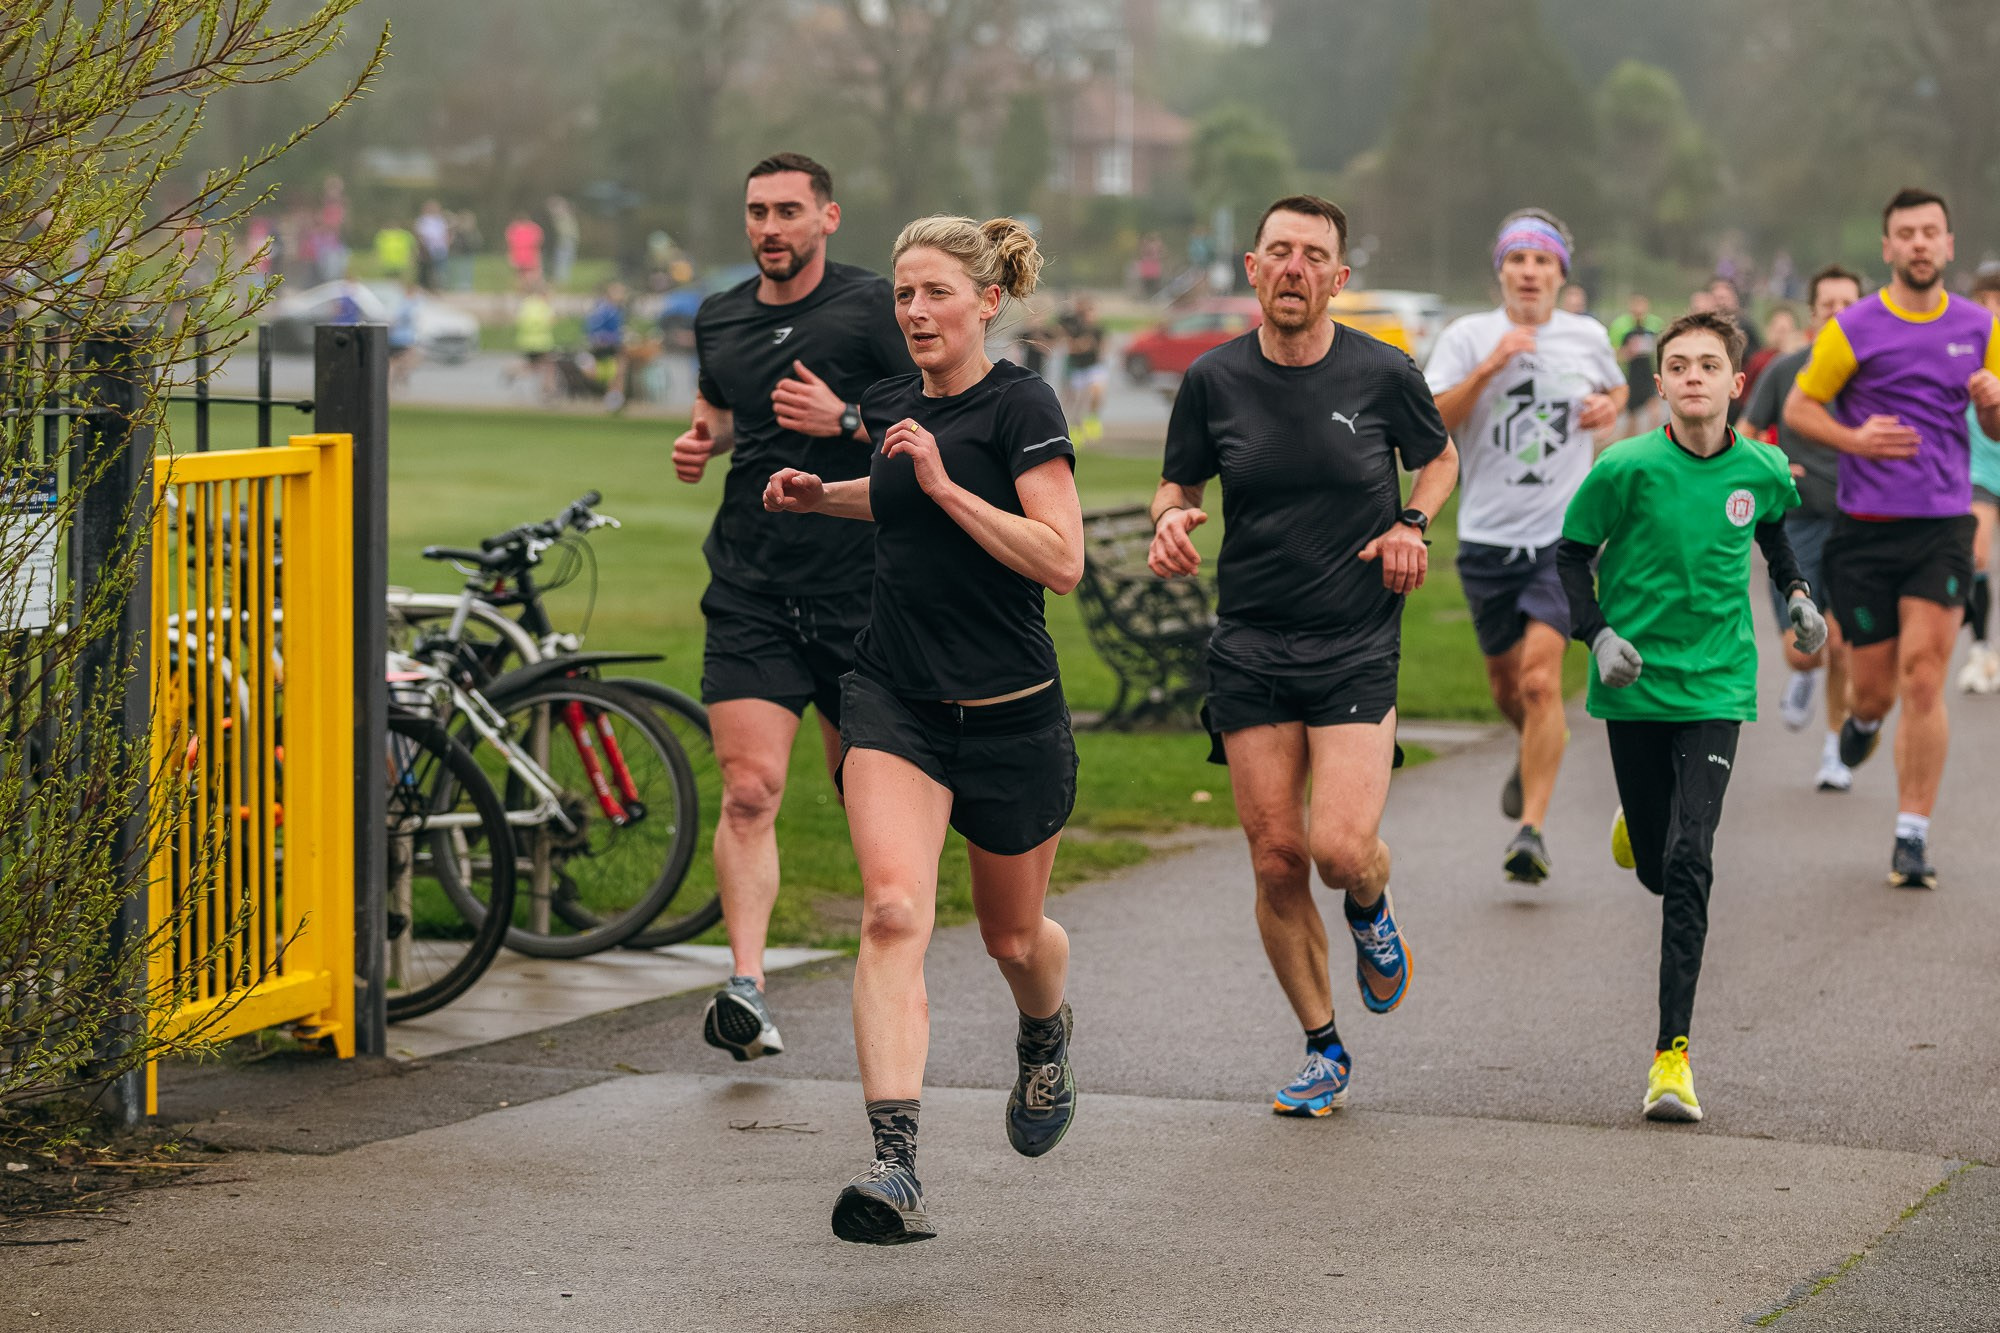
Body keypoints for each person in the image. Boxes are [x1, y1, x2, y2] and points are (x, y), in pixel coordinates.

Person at [762, 214, 1081, 1246]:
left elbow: (1061, 558)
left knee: (1013, 937)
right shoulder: (893, 401)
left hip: (1009, 714)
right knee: (893, 912)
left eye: (935, 291)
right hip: (893, 696)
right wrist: (824, 497)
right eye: (903, 294)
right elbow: (897, 497)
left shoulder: (1022, 406)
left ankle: (1044, 1031)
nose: (913, 310)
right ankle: (894, 1165)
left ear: (987, 300)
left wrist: (943, 484)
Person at [1147, 195, 1458, 1118]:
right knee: (1278, 858)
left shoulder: (1383, 371)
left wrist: (1412, 523)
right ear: (1251, 269)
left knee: (1337, 849)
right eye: (1278, 251)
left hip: (1354, 637)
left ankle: (1371, 902)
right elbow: (1178, 480)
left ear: (1338, 278)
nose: (1294, 267)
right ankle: (1323, 1046)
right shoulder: (1212, 379)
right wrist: (1170, 520)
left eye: (1313, 255)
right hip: (1250, 642)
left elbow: (1439, 458)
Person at [671, 153, 917, 1062]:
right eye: (756, 212)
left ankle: (891, 957)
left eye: (786, 211)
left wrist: (845, 419)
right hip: (752, 585)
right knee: (748, 791)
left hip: (860, 594)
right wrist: (703, 442)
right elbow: (720, 410)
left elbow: (933, 422)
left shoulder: (874, 307)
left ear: (827, 217)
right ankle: (747, 985)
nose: (769, 228)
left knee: (867, 799)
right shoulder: (719, 314)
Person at [1558, 310, 1824, 1123]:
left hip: (1717, 682)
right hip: (1634, 680)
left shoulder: (1762, 466)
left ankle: (1671, 1058)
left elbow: (1773, 533)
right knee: (1655, 865)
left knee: (1690, 857)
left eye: (1709, 364)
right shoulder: (1624, 467)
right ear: (1661, 383)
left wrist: (1798, 594)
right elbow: (1570, 556)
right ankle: (1638, 824)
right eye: (1679, 365)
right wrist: (1598, 635)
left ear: (1736, 382)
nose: (1694, 376)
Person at [1783, 187, 2000, 887]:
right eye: (1905, 233)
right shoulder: (1854, 328)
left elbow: (1996, 431)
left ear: (1948, 243)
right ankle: (1864, 724)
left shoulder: (1981, 326)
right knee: (1873, 691)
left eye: (1930, 231)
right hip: (1865, 533)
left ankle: (1912, 835)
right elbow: (1800, 408)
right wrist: (1856, 440)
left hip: (1942, 527)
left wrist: (1993, 408)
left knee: (1925, 677)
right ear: (1888, 247)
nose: (1918, 243)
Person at [1426, 209, 1625, 881]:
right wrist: (1490, 366)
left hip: (1560, 540)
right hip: (1487, 538)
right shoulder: (1467, 336)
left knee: (1541, 682)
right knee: (1507, 687)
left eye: (1543, 261)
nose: (1530, 272)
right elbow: (1432, 422)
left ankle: (1530, 831)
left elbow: (1615, 385)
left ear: (1560, 274)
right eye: (1518, 260)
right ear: (1501, 271)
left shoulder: (1585, 335)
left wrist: (1610, 406)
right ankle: (1534, 746)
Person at [1741, 264, 1864, 788]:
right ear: (1812, 313)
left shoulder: (1873, 375)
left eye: (1848, 305)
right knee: (1804, 653)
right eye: (1828, 305)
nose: (1838, 313)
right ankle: (1804, 678)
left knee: (1841, 646)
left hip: (1859, 523)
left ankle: (1834, 752)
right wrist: (1771, 466)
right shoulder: (1785, 370)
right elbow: (1745, 433)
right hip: (1797, 523)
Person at [1957, 268, 2000, 693]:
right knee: (1977, 556)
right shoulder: (1966, 345)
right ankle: (1982, 649)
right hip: (1980, 468)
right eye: (1984, 301)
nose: (1990, 309)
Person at [1608, 293, 1665, 437]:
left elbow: (1663, 347)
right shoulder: (1621, 325)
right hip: (1631, 376)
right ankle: (1631, 442)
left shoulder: (1655, 324)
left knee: (1655, 410)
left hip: (1649, 374)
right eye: (1636, 305)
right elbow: (1612, 354)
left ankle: (1654, 441)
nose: (1639, 309)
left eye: (1642, 305)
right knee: (1632, 416)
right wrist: (1628, 351)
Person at [1058, 296, 1108, 444]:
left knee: (1097, 392)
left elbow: (1103, 347)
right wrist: (1081, 346)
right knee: (1077, 400)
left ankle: (1092, 419)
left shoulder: (1098, 329)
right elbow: (1069, 346)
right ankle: (1076, 427)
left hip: (1093, 365)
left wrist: (1098, 349)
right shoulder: (1076, 328)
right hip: (1078, 367)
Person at [583, 280, 629, 411]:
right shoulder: (610, 310)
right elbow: (600, 329)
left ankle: (613, 399)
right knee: (618, 371)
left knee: (612, 372)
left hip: (602, 344)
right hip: (608, 344)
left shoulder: (601, 307)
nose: (622, 295)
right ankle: (614, 400)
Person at [504, 211, 544, 285]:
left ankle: (524, 287)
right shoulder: (534, 228)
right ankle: (531, 287)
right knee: (532, 274)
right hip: (531, 255)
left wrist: (510, 257)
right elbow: (538, 242)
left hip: (517, 255)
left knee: (521, 274)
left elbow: (509, 243)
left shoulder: (513, 229)